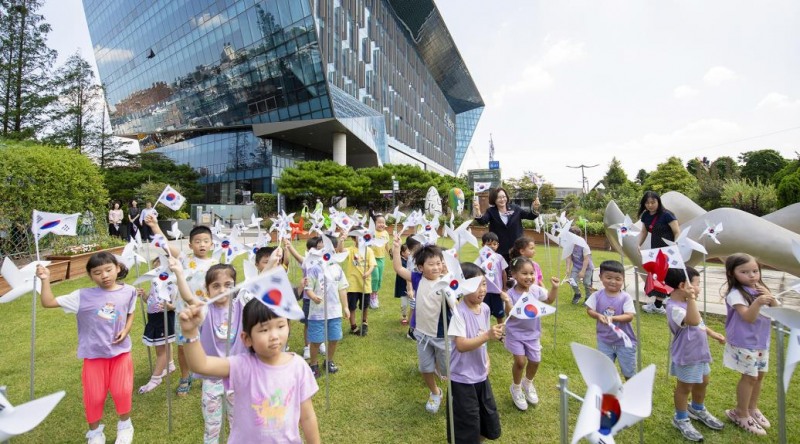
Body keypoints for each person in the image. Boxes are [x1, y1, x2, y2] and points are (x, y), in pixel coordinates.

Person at [179, 299, 320, 443]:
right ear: (246, 338)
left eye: (280, 326)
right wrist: (190, 332)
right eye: (264, 329)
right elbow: (201, 365)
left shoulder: (298, 366)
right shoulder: (242, 366)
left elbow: (307, 417)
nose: (274, 336)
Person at [35, 252, 138, 444]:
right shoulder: (81, 296)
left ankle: (125, 426)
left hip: (121, 352)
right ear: (91, 276)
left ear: (117, 268)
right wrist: (45, 280)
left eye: (108, 270)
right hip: (93, 355)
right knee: (95, 396)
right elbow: (48, 302)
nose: (104, 275)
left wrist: (126, 329)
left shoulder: (129, 291)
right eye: (97, 272)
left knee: (122, 391)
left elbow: (130, 311)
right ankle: (95, 433)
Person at [146, 217, 218, 397]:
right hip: (184, 312)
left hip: (207, 311)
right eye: (198, 241)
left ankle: (206, 375)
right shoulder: (184, 259)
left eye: (206, 241)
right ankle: (185, 377)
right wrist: (155, 226)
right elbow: (166, 246)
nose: (202, 244)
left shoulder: (215, 264)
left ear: (211, 244)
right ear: (190, 244)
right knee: (183, 347)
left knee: (207, 345)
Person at [174, 262, 244, 444]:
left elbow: (257, 283)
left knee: (239, 424)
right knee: (212, 427)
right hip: (212, 378)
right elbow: (189, 297)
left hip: (236, 376)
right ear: (207, 290)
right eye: (216, 286)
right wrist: (180, 274)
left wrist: (273, 263)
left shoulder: (241, 306)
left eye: (228, 285)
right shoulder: (205, 309)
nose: (222, 290)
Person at [664, 267, 726, 442]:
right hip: (687, 354)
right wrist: (691, 298)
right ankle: (681, 418)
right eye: (698, 284)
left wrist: (713, 333)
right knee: (685, 387)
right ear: (683, 285)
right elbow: (692, 320)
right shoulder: (674, 307)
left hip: (700, 353)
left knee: (703, 381)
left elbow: (700, 324)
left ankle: (697, 408)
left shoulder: (686, 303)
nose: (699, 288)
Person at [446, 262, 504, 443]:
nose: (482, 290)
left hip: (480, 374)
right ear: (463, 288)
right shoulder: (458, 313)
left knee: (485, 414)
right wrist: (487, 335)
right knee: (466, 420)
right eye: (476, 286)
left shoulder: (485, 309)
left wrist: (486, 357)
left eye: (484, 284)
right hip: (461, 377)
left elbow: (481, 339)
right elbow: (462, 345)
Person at [722, 254, 778, 436]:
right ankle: (740, 412)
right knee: (750, 377)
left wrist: (771, 299)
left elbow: (775, 313)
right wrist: (758, 302)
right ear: (732, 274)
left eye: (755, 271)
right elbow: (748, 317)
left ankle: (752, 408)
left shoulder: (760, 290)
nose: (752, 275)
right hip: (743, 342)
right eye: (744, 272)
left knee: (760, 375)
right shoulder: (735, 294)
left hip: (761, 341)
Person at [392, 237, 448, 414]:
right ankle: (435, 392)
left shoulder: (448, 281)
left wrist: (449, 275)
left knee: (447, 370)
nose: (436, 267)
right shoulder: (417, 279)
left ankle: (451, 387)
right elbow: (399, 268)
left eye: (439, 263)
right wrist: (395, 249)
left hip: (442, 335)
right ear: (421, 268)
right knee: (425, 368)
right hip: (422, 333)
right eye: (431, 264)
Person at [503, 257, 559, 411]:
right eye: (524, 273)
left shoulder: (535, 290)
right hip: (515, 333)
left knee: (535, 360)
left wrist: (554, 288)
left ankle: (527, 383)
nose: (529, 277)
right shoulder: (511, 293)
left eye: (531, 273)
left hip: (533, 334)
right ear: (514, 274)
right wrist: (508, 302)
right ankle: (516, 387)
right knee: (520, 362)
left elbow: (548, 300)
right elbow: (511, 314)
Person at [585, 260, 637, 380]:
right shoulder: (597, 296)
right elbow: (589, 310)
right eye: (608, 277)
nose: (613, 281)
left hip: (625, 342)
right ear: (601, 277)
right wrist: (598, 315)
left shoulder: (625, 297)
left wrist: (612, 318)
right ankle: (607, 392)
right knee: (604, 370)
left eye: (618, 279)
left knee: (628, 372)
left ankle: (631, 391)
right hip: (604, 341)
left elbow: (629, 316)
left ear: (623, 280)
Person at [305, 234, 350, 377]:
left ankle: (329, 361)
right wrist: (313, 296)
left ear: (334, 250)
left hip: (334, 311)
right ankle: (313, 363)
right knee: (316, 340)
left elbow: (342, 289)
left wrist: (346, 307)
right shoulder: (314, 268)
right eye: (322, 247)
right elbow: (308, 288)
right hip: (317, 313)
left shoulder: (337, 269)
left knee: (334, 338)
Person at [137, 258, 177, 394]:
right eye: (155, 269)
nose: (157, 272)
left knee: (162, 350)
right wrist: (143, 296)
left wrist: (168, 306)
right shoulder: (155, 282)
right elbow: (151, 299)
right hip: (153, 317)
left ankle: (156, 378)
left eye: (160, 269)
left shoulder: (173, 284)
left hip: (163, 318)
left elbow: (175, 306)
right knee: (163, 345)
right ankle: (170, 365)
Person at [637, 191, 681, 314]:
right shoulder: (646, 215)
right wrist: (638, 244)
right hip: (655, 250)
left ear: (658, 202)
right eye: (647, 203)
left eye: (653, 202)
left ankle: (660, 305)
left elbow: (677, 232)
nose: (650, 205)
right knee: (658, 276)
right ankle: (658, 304)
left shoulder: (667, 215)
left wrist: (675, 245)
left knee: (666, 277)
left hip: (668, 251)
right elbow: (644, 232)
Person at [285, 236, 327, 359]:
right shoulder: (306, 262)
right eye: (316, 249)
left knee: (321, 320)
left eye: (321, 248)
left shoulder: (325, 262)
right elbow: (296, 255)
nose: (319, 251)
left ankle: (320, 343)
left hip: (322, 297)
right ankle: (307, 346)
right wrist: (288, 245)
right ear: (309, 250)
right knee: (308, 323)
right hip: (309, 298)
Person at [473, 187, 540, 263]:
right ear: (494, 199)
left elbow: (530, 216)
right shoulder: (491, 211)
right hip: (500, 249)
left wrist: (535, 208)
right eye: (499, 197)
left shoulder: (515, 208)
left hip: (516, 248)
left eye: (504, 197)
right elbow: (483, 221)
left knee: (517, 271)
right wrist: (478, 210)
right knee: (502, 273)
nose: (502, 199)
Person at [343, 228, 375, 336]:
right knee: (352, 306)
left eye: (363, 235)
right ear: (353, 238)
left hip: (365, 284)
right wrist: (342, 239)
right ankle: (353, 326)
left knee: (365, 306)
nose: (360, 237)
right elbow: (340, 251)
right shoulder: (351, 250)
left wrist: (368, 273)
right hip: (353, 284)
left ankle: (364, 322)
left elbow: (372, 265)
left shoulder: (369, 250)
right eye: (357, 235)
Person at [473, 232, 509, 324]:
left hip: (497, 291)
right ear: (483, 245)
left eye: (494, 244)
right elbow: (475, 272)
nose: (492, 246)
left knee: (499, 314)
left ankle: (500, 331)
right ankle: (485, 332)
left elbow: (504, 273)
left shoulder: (499, 257)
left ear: (498, 245)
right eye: (488, 244)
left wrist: (504, 287)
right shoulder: (480, 258)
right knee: (484, 313)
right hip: (485, 291)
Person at [566, 226, 594, 305]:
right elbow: (568, 257)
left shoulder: (584, 245)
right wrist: (568, 268)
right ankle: (577, 294)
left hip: (587, 267)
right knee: (572, 280)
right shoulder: (569, 245)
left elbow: (586, 259)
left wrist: (583, 271)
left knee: (586, 283)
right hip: (576, 266)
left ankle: (588, 297)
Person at [369, 214, 391, 309]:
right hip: (372, 258)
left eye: (383, 222)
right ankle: (372, 297)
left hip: (381, 258)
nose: (381, 224)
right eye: (379, 222)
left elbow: (386, 244)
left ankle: (375, 294)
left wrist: (390, 252)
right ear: (375, 223)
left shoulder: (385, 233)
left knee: (380, 279)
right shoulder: (371, 232)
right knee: (375, 278)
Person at [394, 244, 411, 325]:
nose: (410, 252)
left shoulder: (412, 261)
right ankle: (404, 316)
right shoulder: (400, 262)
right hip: (403, 286)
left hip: (411, 285)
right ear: (403, 253)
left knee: (412, 302)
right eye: (408, 251)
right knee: (404, 303)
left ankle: (411, 316)